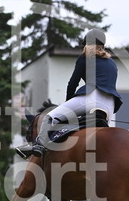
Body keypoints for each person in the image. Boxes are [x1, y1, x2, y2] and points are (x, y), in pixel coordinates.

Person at [16, 28, 122, 158]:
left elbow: (73, 84)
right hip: (110, 105)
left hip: (91, 98)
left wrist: (67, 105)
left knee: (49, 117)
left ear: (86, 45)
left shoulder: (85, 57)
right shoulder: (112, 63)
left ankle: (39, 145)